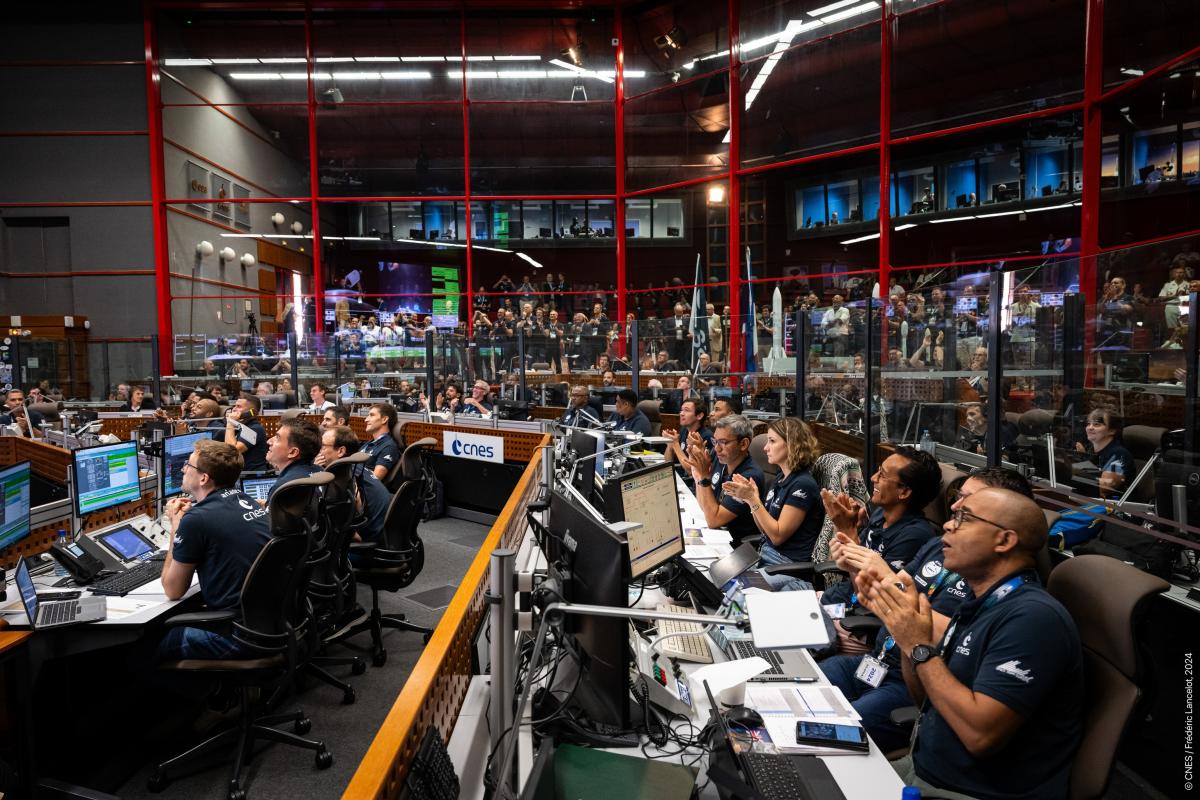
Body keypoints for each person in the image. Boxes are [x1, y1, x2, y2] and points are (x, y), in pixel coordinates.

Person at [869, 488, 1083, 800]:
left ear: (1004, 541)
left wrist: (919, 646)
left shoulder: (1034, 620)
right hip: (922, 768)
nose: (947, 525)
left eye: (963, 518)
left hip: (969, 791)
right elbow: (926, 700)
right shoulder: (978, 601)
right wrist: (905, 635)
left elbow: (979, 736)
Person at [820, 467, 1033, 753]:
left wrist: (888, 580)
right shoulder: (940, 549)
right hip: (881, 662)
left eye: (966, 511)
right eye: (957, 500)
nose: (950, 516)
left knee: (826, 735)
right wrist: (855, 555)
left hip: (906, 685)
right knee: (795, 693)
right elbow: (876, 601)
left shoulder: (1015, 605)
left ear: (1004, 537)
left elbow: (954, 638)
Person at [158, 440, 271, 660]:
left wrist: (176, 527)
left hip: (237, 635)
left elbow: (173, 590)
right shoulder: (248, 501)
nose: (183, 469)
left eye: (188, 466)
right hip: (270, 623)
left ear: (203, 478)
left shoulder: (196, 519)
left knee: (147, 646)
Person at [819, 447, 941, 611]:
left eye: (882, 475)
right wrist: (850, 527)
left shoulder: (915, 536)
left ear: (904, 491)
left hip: (851, 617)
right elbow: (849, 558)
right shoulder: (880, 515)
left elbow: (872, 598)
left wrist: (848, 531)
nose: (873, 478)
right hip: (834, 597)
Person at [721, 417, 826, 568]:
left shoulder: (803, 485)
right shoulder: (781, 478)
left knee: (729, 587)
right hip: (765, 557)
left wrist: (753, 500)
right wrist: (752, 501)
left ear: (792, 444)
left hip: (785, 567)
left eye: (772, 441)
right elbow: (765, 531)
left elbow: (777, 537)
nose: (765, 448)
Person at [686, 414, 765, 545]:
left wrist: (704, 477)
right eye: (715, 442)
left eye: (723, 442)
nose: (717, 448)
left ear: (743, 444)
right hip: (716, 535)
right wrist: (698, 475)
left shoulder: (747, 477)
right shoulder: (720, 459)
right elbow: (705, 507)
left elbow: (713, 520)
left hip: (735, 547)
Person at [316, 425, 390, 545]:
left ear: (341, 451)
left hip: (370, 540)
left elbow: (355, 505)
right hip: (384, 532)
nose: (319, 450)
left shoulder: (342, 475)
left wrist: (316, 470)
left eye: (323, 446)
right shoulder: (355, 466)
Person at [264, 418, 323, 502]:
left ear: (292, 452)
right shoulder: (320, 471)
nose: (269, 441)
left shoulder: (283, 487)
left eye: (277, 437)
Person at [661, 397, 714, 487]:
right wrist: (670, 444)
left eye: (686, 410)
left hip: (694, 484)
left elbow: (691, 471)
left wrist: (675, 444)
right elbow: (667, 462)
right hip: (678, 478)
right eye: (681, 410)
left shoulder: (705, 437)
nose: (681, 413)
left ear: (699, 416)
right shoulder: (684, 431)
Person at [223, 394, 269, 473]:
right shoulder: (240, 426)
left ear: (251, 412)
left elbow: (231, 451)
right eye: (234, 406)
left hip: (251, 476)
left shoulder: (255, 429)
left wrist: (230, 423)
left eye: (239, 406)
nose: (234, 409)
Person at [360, 403, 400, 481]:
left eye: (371, 415)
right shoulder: (368, 444)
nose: (366, 420)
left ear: (384, 419)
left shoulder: (388, 447)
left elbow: (373, 482)